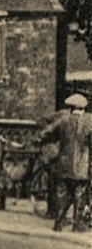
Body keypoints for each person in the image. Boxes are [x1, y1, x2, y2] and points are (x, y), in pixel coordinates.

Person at [37, 93, 92, 232]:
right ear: (83, 108)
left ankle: (58, 224)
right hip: (81, 166)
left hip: (63, 165)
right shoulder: (90, 121)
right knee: (79, 194)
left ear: (71, 108)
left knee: (62, 194)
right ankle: (77, 225)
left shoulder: (63, 120)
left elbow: (44, 133)